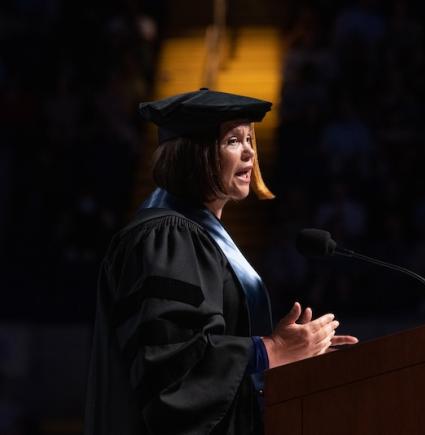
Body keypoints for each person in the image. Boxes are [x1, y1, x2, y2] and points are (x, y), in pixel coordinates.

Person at [84, 88, 358, 435]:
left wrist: (292, 356)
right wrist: (270, 350)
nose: (249, 152)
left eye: (249, 138)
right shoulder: (166, 238)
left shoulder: (195, 236)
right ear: (194, 155)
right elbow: (174, 371)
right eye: (232, 140)